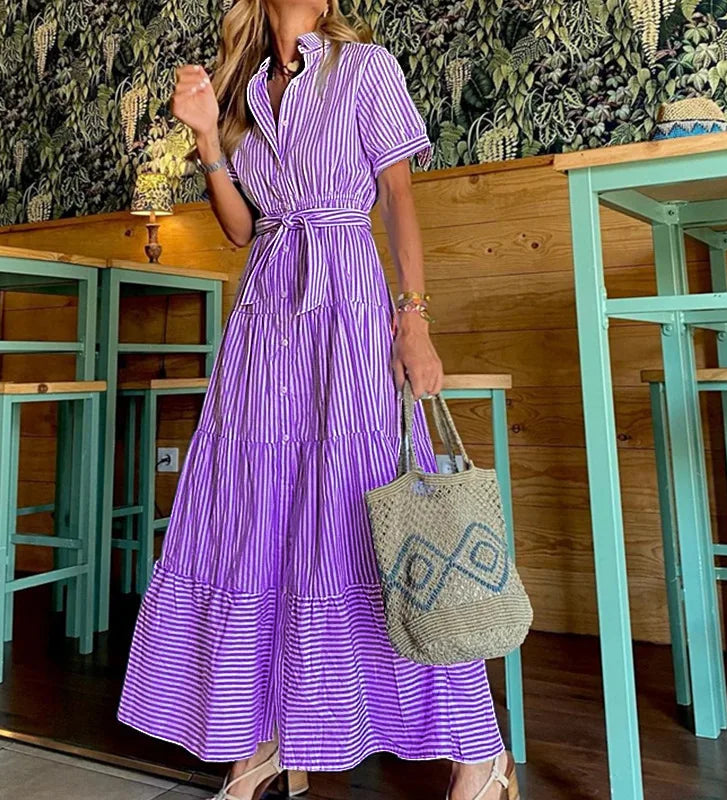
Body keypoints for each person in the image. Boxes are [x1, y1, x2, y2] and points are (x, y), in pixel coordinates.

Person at [116, 2, 518, 799]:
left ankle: (479, 752)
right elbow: (242, 228)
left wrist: (413, 318)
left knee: (366, 517)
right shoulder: (244, 90)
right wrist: (206, 137)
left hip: (346, 305)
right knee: (255, 513)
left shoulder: (366, 68)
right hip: (264, 314)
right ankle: (265, 744)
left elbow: (398, 197)